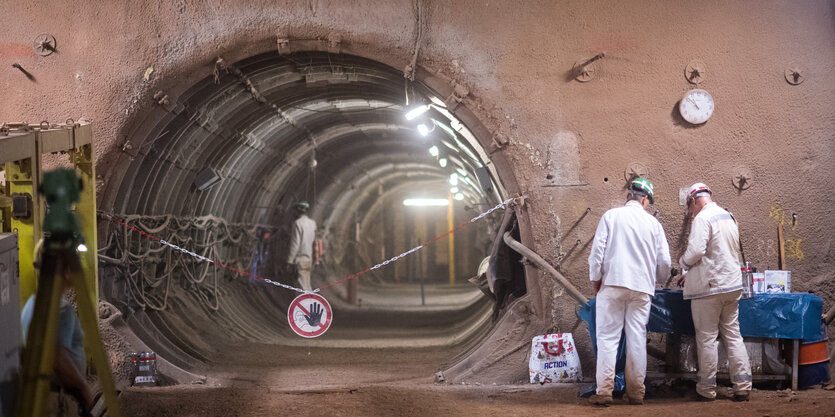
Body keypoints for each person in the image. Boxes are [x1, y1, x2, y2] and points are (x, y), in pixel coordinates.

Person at [587, 177, 671, 406]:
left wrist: (596, 279)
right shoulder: (654, 224)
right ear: (645, 199)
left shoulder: (611, 216)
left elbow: (597, 253)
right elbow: (664, 262)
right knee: (636, 339)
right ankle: (636, 392)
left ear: (629, 196)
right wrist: (658, 281)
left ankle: (604, 391)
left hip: (612, 284)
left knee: (608, 338)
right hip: (642, 289)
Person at [679, 182, 752, 402]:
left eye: (689, 207)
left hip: (710, 289)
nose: (691, 212)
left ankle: (707, 389)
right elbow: (720, 252)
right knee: (733, 335)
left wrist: (683, 263)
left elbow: (696, 251)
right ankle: (743, 386)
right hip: (732, 286)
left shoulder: (702, 218)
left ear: (693, 200)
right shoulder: (728, 216)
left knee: (707, 338)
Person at [20, 254, 95, 415]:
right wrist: (83, 388)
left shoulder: (31, 304)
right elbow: (58, 360)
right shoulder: (61, 310)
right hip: (59, 399)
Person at [286, 201, 317, 292]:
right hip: (309, 259)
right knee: (307, 285)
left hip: (300, 260)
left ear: (297, 211)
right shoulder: (312, 223)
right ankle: (310, 304)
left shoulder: (297, 223)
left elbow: (295, 244)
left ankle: (305, 305)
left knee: (301, 288)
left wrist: (289, 261)